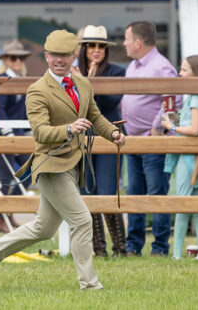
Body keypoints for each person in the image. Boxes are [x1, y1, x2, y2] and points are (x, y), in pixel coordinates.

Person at [0, 30, 126, 291]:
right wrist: (69, 128)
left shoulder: (83, 85)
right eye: (54, 55)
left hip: (72, 165)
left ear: (73, 57)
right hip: (50, 165)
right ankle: (90, 285)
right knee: (82, 220)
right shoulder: (37, 90)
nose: (59, 60)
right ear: (46, 57)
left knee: (42, 229)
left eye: (64, 55)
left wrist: (112, 132)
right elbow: (41, 132)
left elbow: (95, 116)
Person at [121, 21, 179, 257]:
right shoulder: (133, 66)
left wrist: (157, 127)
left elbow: (174, 99)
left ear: (138, 42)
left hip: (151, 142)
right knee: (134, 192)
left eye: (126, 38)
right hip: (133, 140)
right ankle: (133, 245)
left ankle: (160, 247)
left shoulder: (161, 67)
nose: (123, 43)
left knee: (156, 194)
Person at [76, 25, 127, 257]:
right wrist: (85, 79)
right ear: (84, 48)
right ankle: (99, 249)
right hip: (82, 137)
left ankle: (120, 248)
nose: (97, 50)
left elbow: (111, 102)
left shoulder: (116, 71)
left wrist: (90, 81)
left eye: (101, 46)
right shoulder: (73, 71)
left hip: (109, 135)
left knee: (107, 190)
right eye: (92, 46)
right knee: (88, 191)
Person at [160, 55, 198, 260]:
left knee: (182, 204)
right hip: (193, 157)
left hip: (189, 158)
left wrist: (171, 127)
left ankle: (177, 254)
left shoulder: (196, 97)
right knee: (196, 206)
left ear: (196, 73)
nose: (180, 74)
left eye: (184, 69)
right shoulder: (195, 96)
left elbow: (196, 128)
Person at [0, 39, 31, 233]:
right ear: (6, 59)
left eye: (21, 58)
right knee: (6, 176)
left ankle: (8, 213)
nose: (18, 61)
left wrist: (28, 131)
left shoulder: (22, 79)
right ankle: (0, 219)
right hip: (2, 134)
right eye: (14, 57)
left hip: (19, 134)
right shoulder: (0, 78)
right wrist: (7, 131)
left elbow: (23, 111)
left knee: (29, 170)